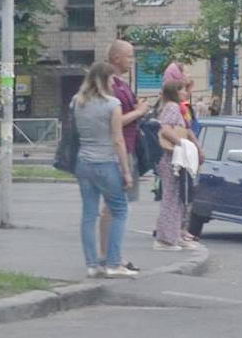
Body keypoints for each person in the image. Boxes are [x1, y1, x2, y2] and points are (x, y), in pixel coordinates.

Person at [72, 62, 137, 278]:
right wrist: (126, 171)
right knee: (120, 211)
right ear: (104, 80)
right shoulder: (112, 104)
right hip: (106, 162)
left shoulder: (77, 101)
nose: (112, 83)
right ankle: (113, 263)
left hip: (83, 162)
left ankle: (92, 265)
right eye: (110, 79)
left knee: (89, 215)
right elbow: (118, 140)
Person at [100, 39, 154, 261]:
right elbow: (114, 122)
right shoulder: (110, 85)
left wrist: (137, 107)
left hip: (128, 147)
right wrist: (139, 111)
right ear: (116, 58)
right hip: (118, 151)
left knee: (117, 206)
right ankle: (111, 256)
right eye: (129, 56)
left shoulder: (121, 84)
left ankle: (109, 255)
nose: (133, 60)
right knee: (116, 207)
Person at [152, 82, 192, 250]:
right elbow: (165, 129)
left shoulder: (169, 106)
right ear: (175, 92)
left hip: (171, 157)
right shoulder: (173, 107)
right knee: (171, 196)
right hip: (171, 157)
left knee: (174, 196)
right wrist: (182, 143)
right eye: (183, 89)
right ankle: (165, 239)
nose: (186, 93)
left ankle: (172, 235)